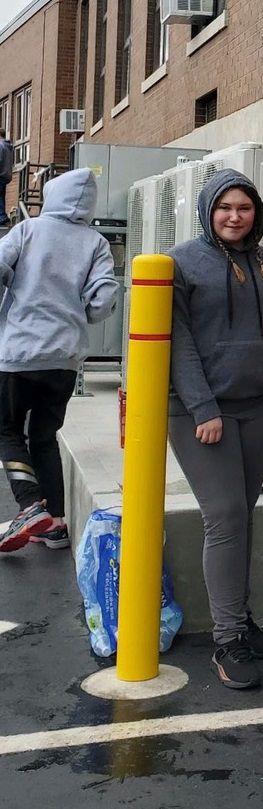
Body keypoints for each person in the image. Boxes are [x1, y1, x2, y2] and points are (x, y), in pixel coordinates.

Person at [167, 168, 263, 690]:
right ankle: (228, 639)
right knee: (225, 516)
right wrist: (203, 407)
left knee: (242, 516)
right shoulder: (181, 263)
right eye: (225, 207)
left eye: (244, 208)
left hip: (260, 408)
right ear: (209, 210)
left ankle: (238, 618)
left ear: (257, 212)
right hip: (199, 413)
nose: (234, 216)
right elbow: (177, 341)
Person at [0, 168, 118, 553]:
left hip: (18, 355)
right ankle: (57, 525)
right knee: (44, 437)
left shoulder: (28, 230)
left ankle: (30, 505)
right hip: (64, 359)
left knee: (7, 432)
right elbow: (102, 301)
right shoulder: (95, 242)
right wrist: (76, 314)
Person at [0, 129, 12, 226]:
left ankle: (2, 217)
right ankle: (3, 217)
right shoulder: (8, 146)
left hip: (0, 174)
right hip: (6, 174)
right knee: (1, 196)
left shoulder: (0, 145)